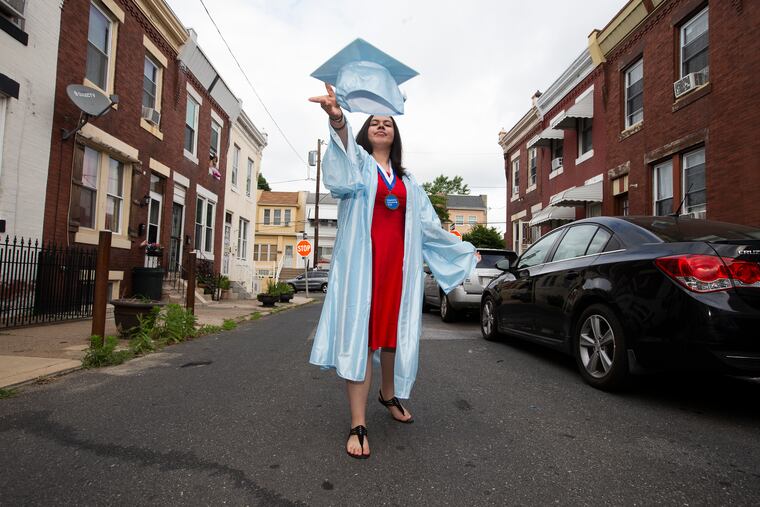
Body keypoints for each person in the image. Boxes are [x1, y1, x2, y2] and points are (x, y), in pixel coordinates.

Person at [308, 83, 478, 459]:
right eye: (375, 122)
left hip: (397, 271)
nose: (382, 126)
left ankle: (388, 394)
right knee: (362, 339)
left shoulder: (408, 180)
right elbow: (341, 162)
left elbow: (429, 226)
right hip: (362, 270)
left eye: (388, 122)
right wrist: (337, 119)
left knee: (391, 338)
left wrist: (461, 249)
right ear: (366, 131)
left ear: (396, 133)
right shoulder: (358, 165)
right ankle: (357, 423)